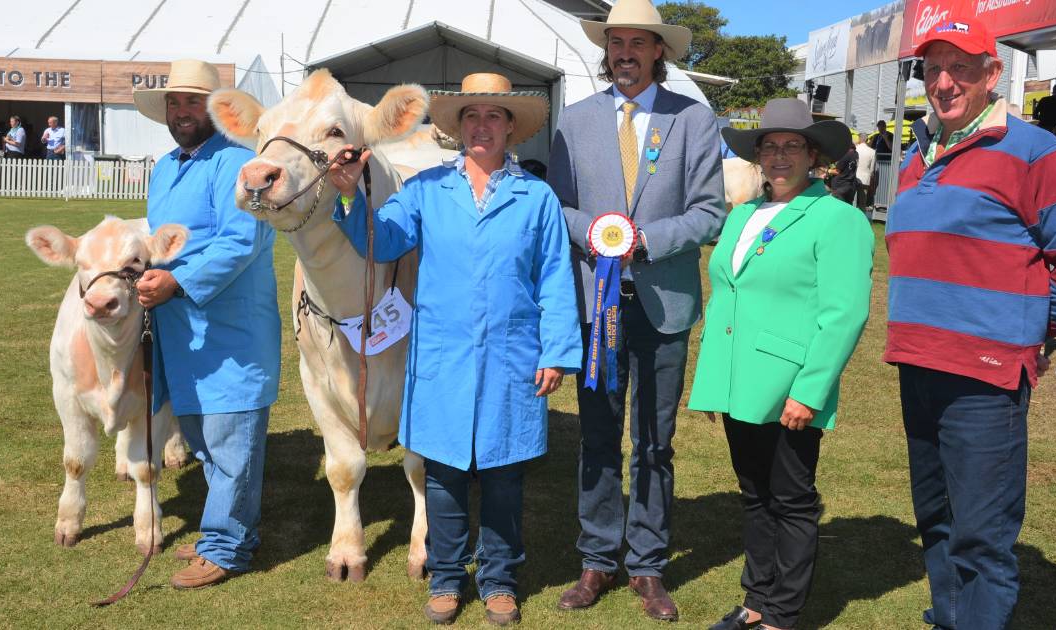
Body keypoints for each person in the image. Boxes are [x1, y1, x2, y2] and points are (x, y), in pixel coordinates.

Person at [329, 73, 582, 626]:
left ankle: (498, 581)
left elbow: (555, 278)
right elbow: (384, 240)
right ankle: (446, 577)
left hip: (512, 355)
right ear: (457, 127)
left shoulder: (536, 198)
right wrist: (350, 192)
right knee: (442, 474)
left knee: (503, 476)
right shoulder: (425, 191)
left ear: (511, 128)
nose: (482, 126)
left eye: (494, 116)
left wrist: (556, 351)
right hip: (441, 355)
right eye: (472, 116)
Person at [886, 17, 1056, 629]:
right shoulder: (919, 152)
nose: (944, 81)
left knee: (981, 532)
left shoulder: (1035, 151)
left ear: (993, 73)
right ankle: (952, 615)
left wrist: (1031, 331)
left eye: (961, 67)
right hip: (918, 359)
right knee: (936, 515)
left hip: (985, 372)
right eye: (932, 69)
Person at [547, 0, 727, 621]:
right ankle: (597, 558)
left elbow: (710, 212)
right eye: (615, 42)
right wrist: (594, 229)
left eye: (637, 43)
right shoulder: (572, 121)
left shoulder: (695, 120)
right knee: (596, 437)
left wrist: (644, 239)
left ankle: (647, 565)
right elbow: (557, 210)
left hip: (663, 305)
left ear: (659, 52)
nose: (624, 52)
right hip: (594, 307)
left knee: (655, 441)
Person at [690, 97, 872, 630]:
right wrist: (713, 381)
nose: (779, 156)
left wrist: (811, 390)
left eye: (792, 145)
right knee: (753, 495)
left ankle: (782, 614)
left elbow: (845, 314)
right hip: (738, 380)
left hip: (790, 385)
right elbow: (728, 297)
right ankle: (756, 599)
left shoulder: (838, 218)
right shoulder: (743, 214)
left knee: (791, 500)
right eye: (770, 146)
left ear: (813, 155)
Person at [132, 59, 281, 590]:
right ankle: (229, 532)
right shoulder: (166, 166)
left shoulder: (240, 165)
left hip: (230, 333)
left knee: (231, 440)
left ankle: (226, 547)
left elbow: (240, 242)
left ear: (216, 110)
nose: (181, 112)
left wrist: (174, 282)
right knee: (202, 441)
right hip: (181, 330)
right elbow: (157, 241)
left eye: (192, 102)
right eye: (174, 103)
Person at [828, 140, 858, 204]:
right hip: (850, 184)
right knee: (848, 206)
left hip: (840, 185)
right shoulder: (856, 154)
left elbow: (837, 171)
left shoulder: (845, 155)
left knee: (838, 205)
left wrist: (827, 171)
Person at [854, 132, 877, 209]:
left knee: (852, 200)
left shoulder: (855, 149)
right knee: (862, 202)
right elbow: (872, 169)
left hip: (854, 176)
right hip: (865, 178)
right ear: (867, 139)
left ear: (859, 138)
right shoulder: (872, 151)